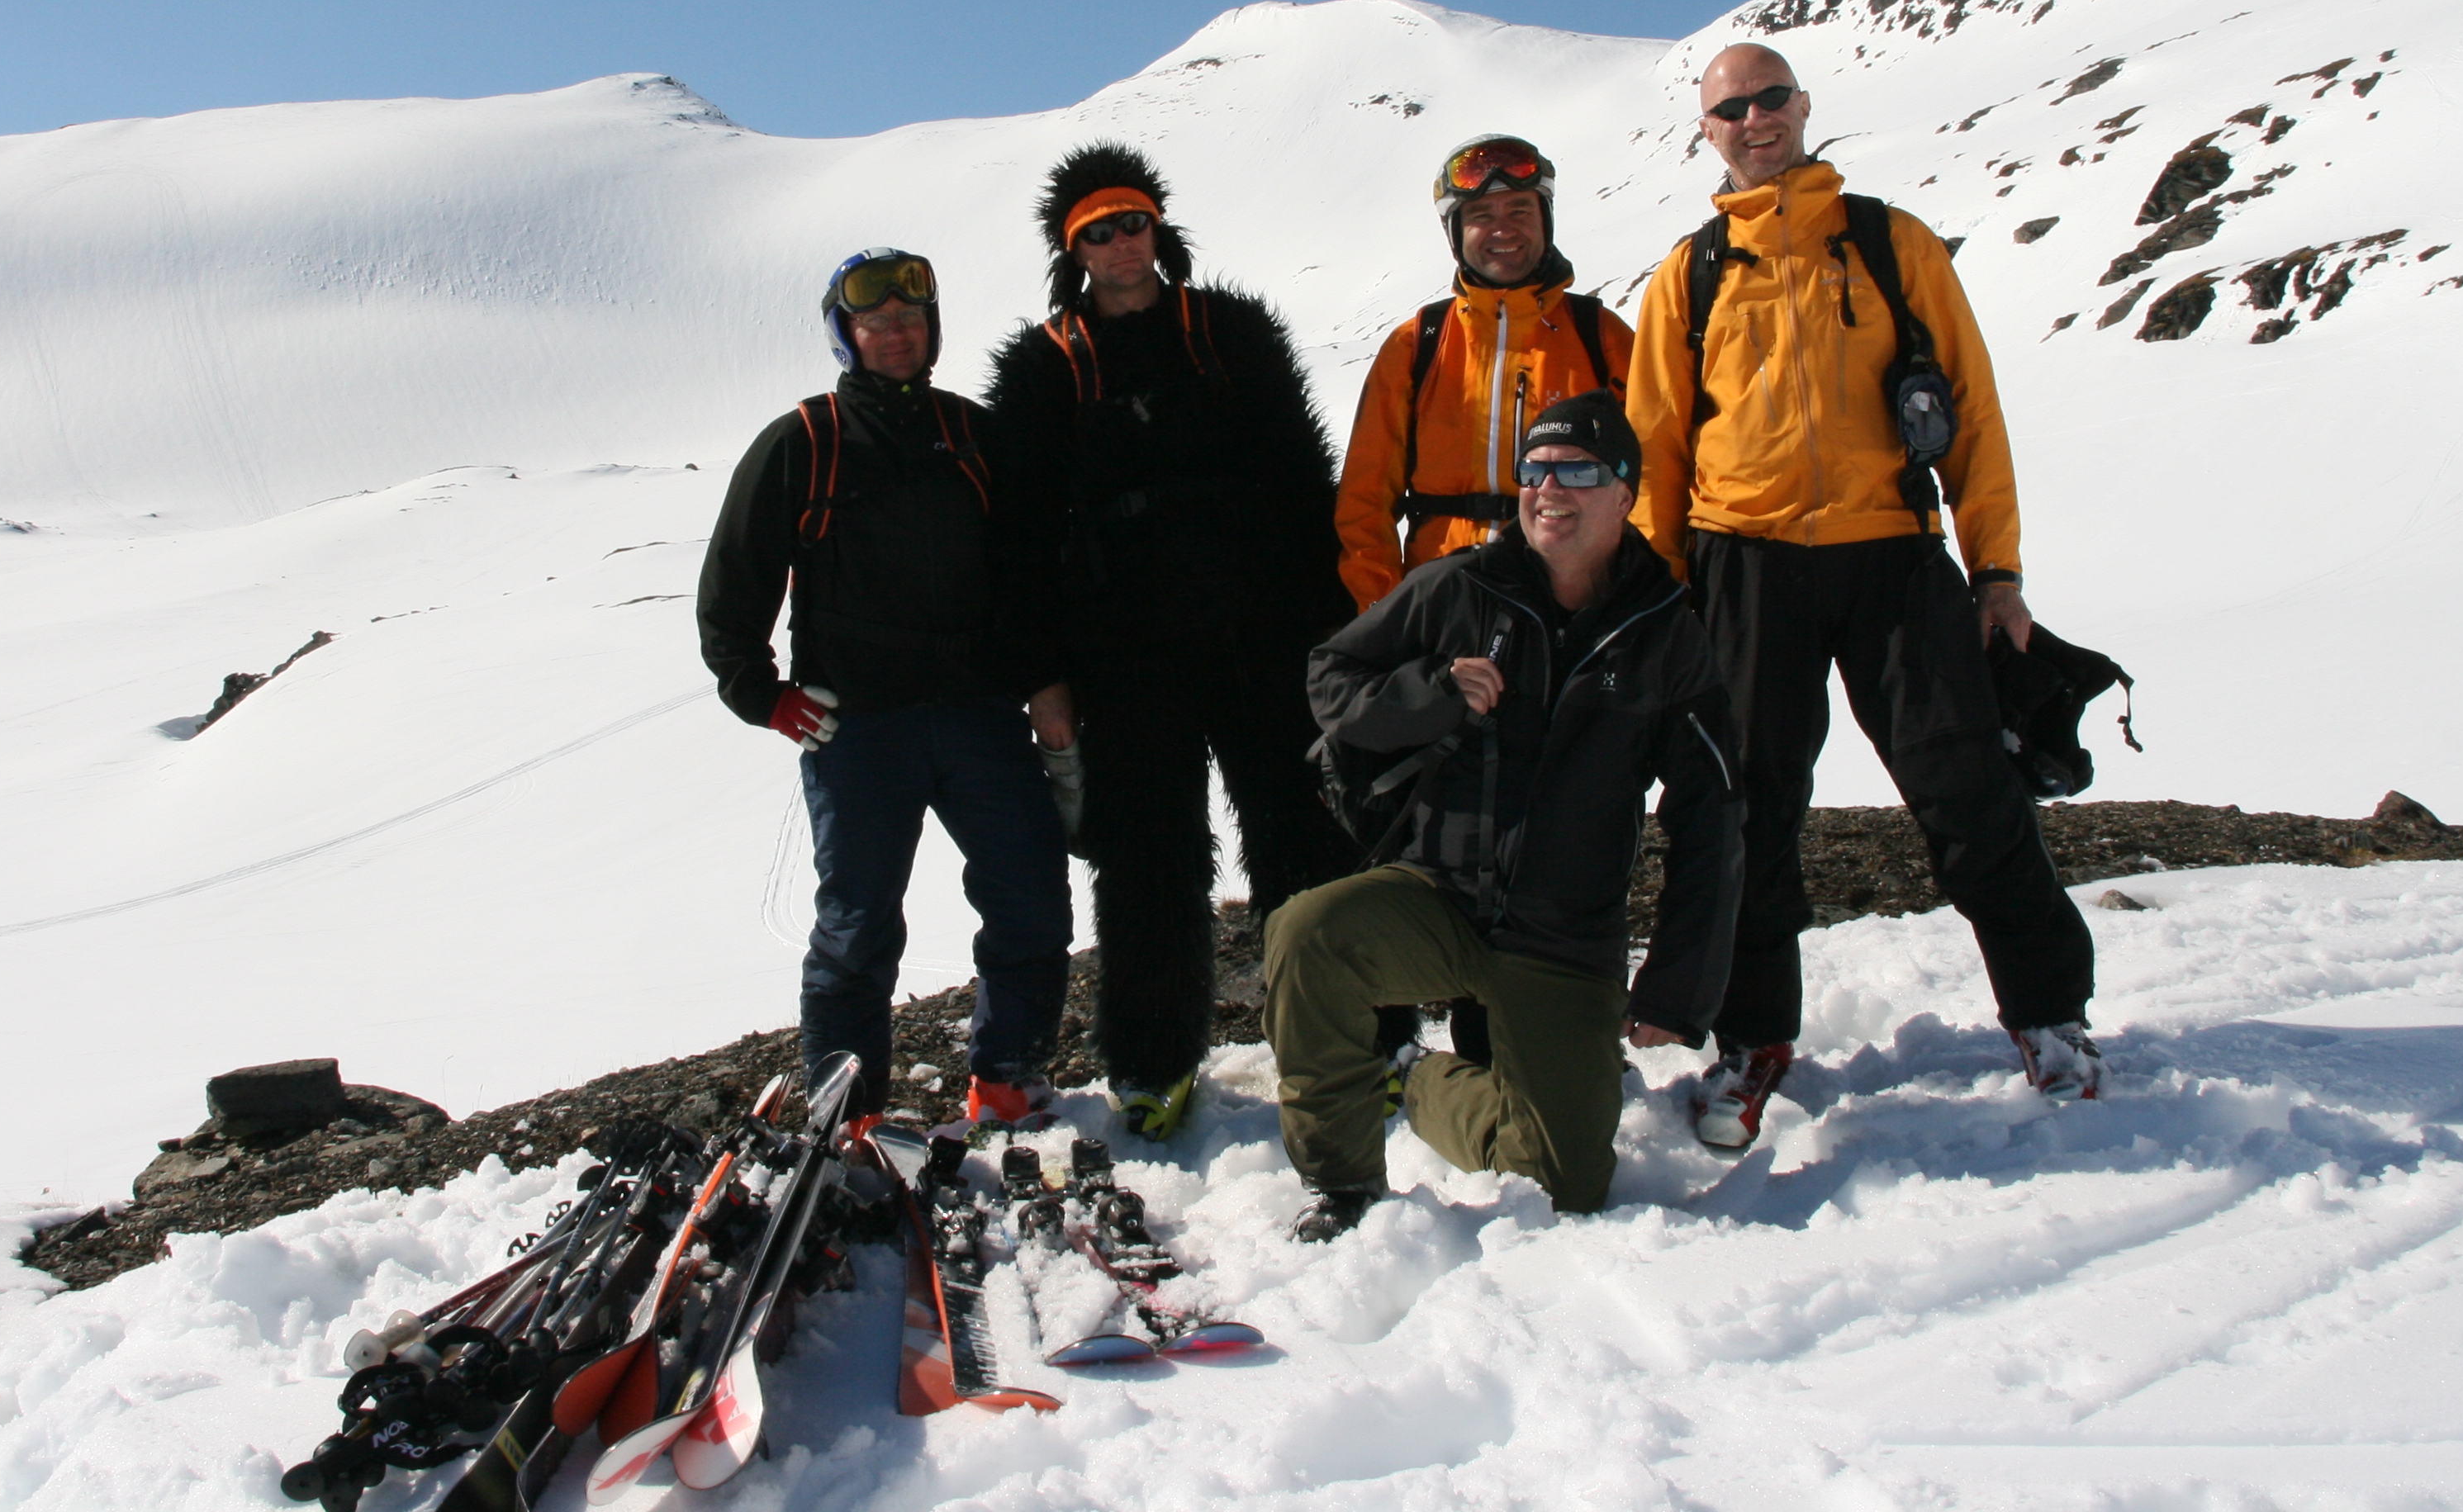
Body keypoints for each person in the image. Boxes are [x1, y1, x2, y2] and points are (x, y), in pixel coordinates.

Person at [1621, 42, 2102, 1150]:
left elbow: (1973, 412)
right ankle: (1753, 1042)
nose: (1755, 119)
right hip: (1742, 563)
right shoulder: (1689, 274)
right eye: (1731, 108)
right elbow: (1655, 454)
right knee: (1746, 812)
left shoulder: (1892, 244)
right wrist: (1664, 603)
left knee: (1971, 792)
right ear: (1709, 133)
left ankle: (2050, 1016)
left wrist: (1997, 574)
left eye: (1770, 98)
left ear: (1802, 105)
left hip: (1894, 551)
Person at [1270, 394, 1742, 1239]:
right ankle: (1341, 1185)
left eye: (1577, 472)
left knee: (1568, 1182)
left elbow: (1709, 816)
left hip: (1563, 933)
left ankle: (1415, 1081)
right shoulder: (1460, 587)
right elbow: (1331, 678)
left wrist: (1679, 983)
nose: (1549, 489)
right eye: (1535, 470)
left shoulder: (1665, 634)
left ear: (1626, 492)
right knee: (1308, 935)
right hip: (1438, 895)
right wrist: (1430, 694)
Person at [982, 145, 1360, 1140]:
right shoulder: (1041, 370)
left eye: (1132, 220)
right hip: (1121, 654)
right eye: (1095, 232)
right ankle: (1151, 1064)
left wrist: (1331, 631)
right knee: (1149, 858)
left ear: (1161, 228)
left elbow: (1301, 477)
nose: (1119, 243)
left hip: (1262, 631)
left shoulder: (1231, 332)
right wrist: (1045, 682)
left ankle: (1344, 1038)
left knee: (1301, 832)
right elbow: (1016, 542)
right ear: (1073, 252)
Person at [696, 248, 1074, 1126]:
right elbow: (734, 582)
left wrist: (1046, 684)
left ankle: (1008, 1075)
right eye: (877, 323)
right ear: (847, 337)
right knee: (859, 927)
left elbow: (1027, 574)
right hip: (858, 730)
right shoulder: (805, 441)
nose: (897, 334)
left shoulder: (973, 434)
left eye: (911, 319)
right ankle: (849, 1109)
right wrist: (761, 693)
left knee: (1030, 893)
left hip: (980, 715)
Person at [1333, 134, 1636, 612]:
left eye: (1519, 211)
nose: (1504, 230)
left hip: (1572, 600)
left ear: (1545, 220)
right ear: (1456, 231)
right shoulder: (1416, 346)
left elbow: (1653, 479)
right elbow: (1364, 503)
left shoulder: (1602, 338)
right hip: (1442, 603)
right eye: (1481, 216)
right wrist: (1386, 615)